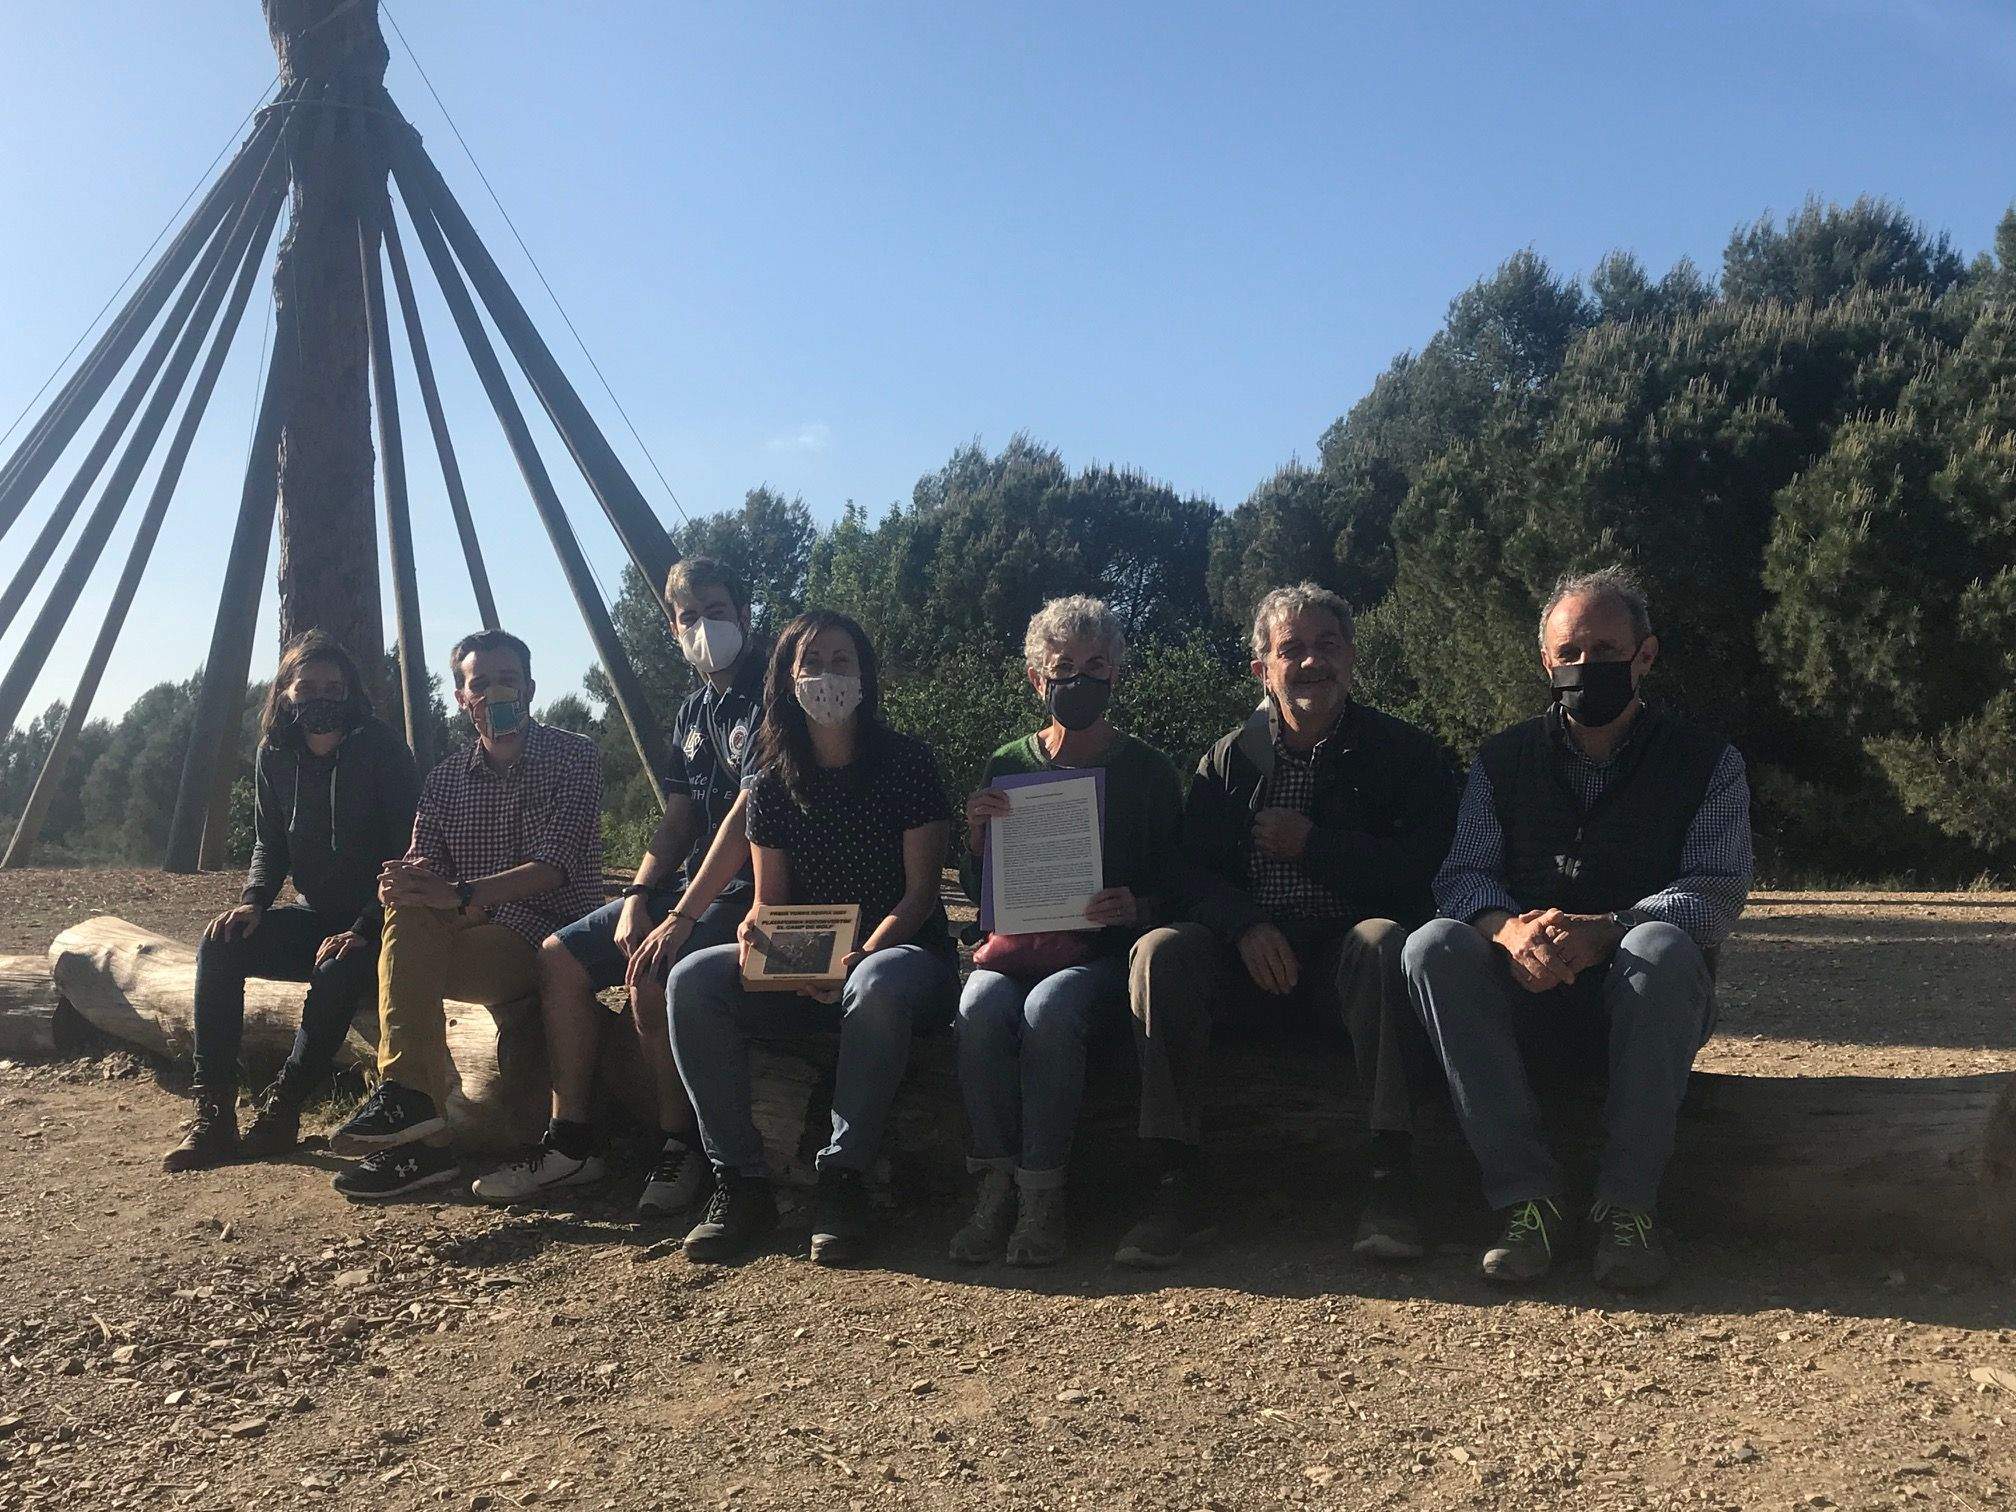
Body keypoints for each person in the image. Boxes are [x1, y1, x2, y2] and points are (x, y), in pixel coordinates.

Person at [1403, 565, 1752, 1291]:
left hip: (1645, 993)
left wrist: (1610, 928)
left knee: (1660, 944)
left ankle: (1628, 1209)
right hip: (1523, 987)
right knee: (1432, 944)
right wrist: (1509, 931)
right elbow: (1462, 878)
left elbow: (1716, 894)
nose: (1586, 666)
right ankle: (1525, 1201)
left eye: (1606, 650)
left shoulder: (1708, 763)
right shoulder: (1500, 761)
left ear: (1645, 656)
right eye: (1570, 652)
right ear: (1546, 661)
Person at [1120, 583, 1458, 1269]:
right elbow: (1186, 874)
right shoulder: (1227, 760)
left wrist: (1315, 847)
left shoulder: (1405, 754)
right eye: (1291, 649)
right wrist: (1243, 925)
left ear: (1351, 656)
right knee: (1159, 951)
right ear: (1262, 670)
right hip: (1245, 963)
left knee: (1384, 943)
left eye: (1326, 645)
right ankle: (1172, 1182)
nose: (1310, 662)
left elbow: (1428, 870)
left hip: (1343, 967)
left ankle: (1390, 1178)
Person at [471, 558, 764, 1214]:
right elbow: (679, 817)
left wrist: (679, 917)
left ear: (745, 615)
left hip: (752, 892)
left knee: (651, 973)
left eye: (717, 612)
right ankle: (571, 1141)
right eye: (689, 617)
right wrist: (636, 895)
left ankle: (680, 1145)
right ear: (673, 629)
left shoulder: (770, 696)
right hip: (689, 887)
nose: (704, 627)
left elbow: (746, 818)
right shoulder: (693, 712)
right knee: (559, 957)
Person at [667, 610, 956, 1266]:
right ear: (787, 678)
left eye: (842, 660)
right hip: (807, 960)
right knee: (692, 979)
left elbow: (920, 896)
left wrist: (862, 956)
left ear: (865, 674)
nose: (828, 675)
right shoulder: (770, 781)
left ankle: (843, 1179)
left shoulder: (909, 762)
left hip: (903, 959)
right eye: (813, 662)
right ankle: (739, 1182)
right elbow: (770, 901)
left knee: (875, 982)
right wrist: (759, 937)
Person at [328, 629, 603, 1201]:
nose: (495, 693)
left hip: (546, 940)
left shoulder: (574, 756)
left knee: (412, 944)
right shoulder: (446, 778)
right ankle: (412, 1106)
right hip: (468, 930)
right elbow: (422, 865)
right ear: (461, 698)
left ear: (530, 689)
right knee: (405, 913)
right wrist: (400, 885)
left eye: (508, 680)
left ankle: (417, 1124)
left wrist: (458, 894)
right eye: (481, 684)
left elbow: (555, 867)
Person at [949, 596, 1181, 1267]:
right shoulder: (1007, 762)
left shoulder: (1148, 770)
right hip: (1013, 950)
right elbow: (978, 891)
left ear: (1115, 674)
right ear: (1036, 678)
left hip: (1099, 957)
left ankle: (1042, 1194)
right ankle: (993, 1184)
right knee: (977, 1007)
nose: (1079, 679)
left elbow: (1184, 879)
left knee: (1050, 1010)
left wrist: (1137, 906)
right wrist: (976, 838)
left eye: (1095, 665)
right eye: (1063, 667)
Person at [163, 631, 418, 1172]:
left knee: (337, 966)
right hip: (314, 913)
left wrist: (364, 927)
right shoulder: (274, 754)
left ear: (350, 692)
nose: (322, 698)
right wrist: (254, 901)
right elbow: (269, 842)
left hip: (382, 922)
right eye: (308, 687)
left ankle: (284, 1108)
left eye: (334, 687)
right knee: (221, 943)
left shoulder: (383, 750)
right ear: (285, 693)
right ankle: (214, 1113)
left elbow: (409, 850)